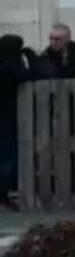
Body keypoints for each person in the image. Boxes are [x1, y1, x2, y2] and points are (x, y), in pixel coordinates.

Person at [0, 35, 36, 204]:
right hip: (7, 116)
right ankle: (4, 190)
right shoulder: (10, 64)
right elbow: (26, 77)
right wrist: (30, 57)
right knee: (8, 154)